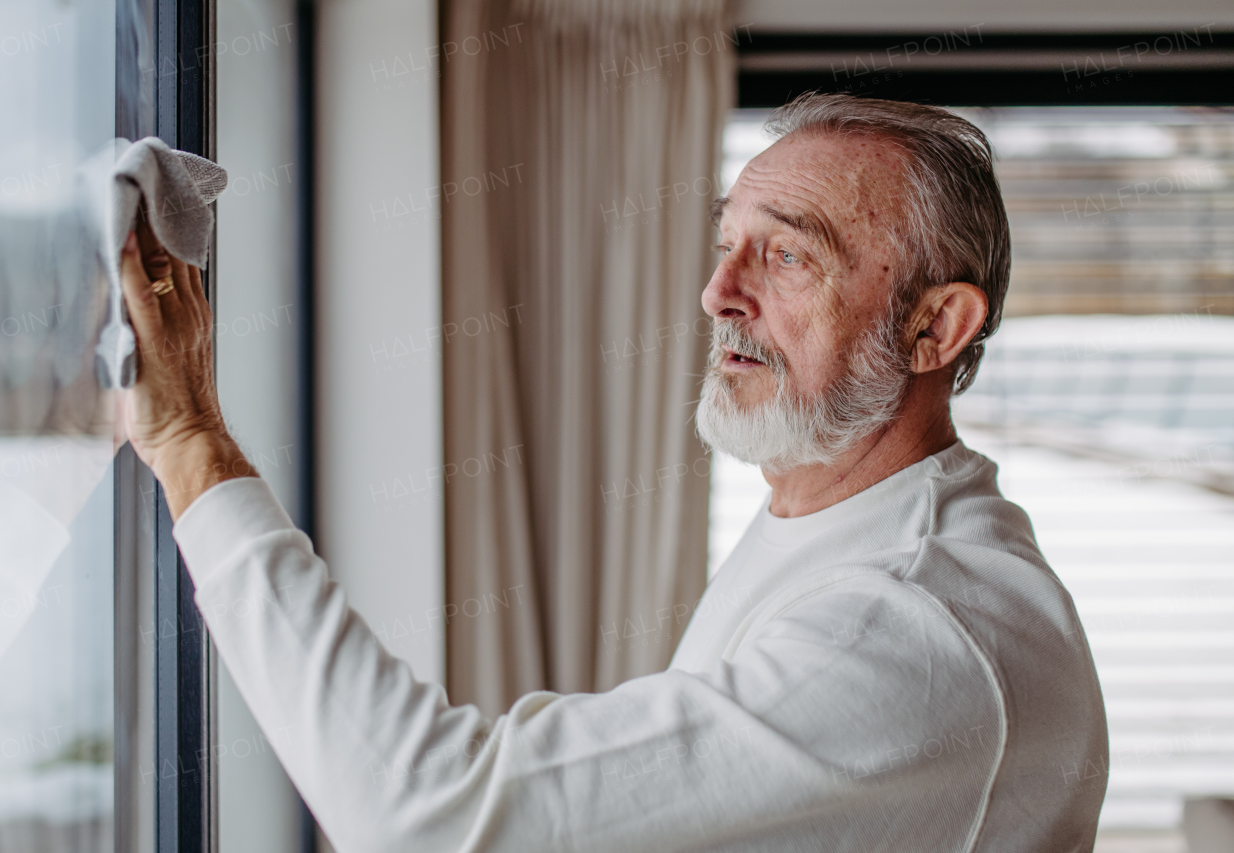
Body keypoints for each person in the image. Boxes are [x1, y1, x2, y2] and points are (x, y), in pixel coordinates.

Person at [119, 92, 1108, 852]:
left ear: (935, 326)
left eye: (788, 259)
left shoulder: (912, 629)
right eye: (728, 246)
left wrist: (189, 441)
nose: (717, 293)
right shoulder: (838, 517)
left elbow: (424, 817)